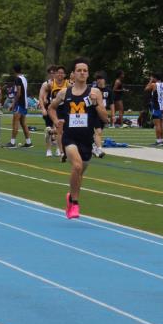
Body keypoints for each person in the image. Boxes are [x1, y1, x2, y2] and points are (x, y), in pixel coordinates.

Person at [50, 58, 108, 219]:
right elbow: (51, 108)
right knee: (76, 166)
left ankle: (70, 197)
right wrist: (56, 121)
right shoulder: (64, 93)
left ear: (88, 74)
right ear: (73, 74)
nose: (82, 73)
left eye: (85, 70)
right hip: (70, 137)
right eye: (79, 70)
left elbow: (105, 118)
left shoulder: (95, 93)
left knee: (79, 174)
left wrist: (96, 104)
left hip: (87, 139)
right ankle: (75, 203)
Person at [8, 65, 32, 147]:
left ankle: (12, 142)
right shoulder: (24, 78)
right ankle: (28, 142)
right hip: (25, 103)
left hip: (20, 103)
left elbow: (18, 93)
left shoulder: (18, 79)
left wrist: (13, 104)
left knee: (15, 121)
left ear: (14, 71)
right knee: (23, 123)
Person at [145, 71, 163, 147]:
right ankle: (161, 140)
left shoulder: (154, 84)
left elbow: (146, 89)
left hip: (156, 106)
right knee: (161, 124)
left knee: (157, 125)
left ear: (155, 78)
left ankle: (158, 141)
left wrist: (150, 81)